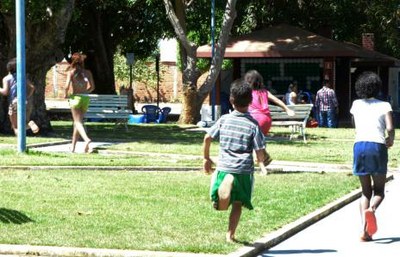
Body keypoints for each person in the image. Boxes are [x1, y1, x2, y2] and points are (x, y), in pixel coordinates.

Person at [203, 79, 270, 243]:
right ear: (250, 101)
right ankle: (230, 235)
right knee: (238, 204)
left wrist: (206, 158)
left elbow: (207, 138)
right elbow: (259, 151)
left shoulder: (224, 120)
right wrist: (263, 164)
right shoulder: (253, 125)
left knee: (217, 200)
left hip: (224, 166)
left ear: (231, 100)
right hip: (244, 171)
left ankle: (221, 194)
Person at [350, 71, 395, 242]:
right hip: (377, 146)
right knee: (380, 191)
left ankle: (365, 231)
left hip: (359, 146)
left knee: (365, 192)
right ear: (377, 87)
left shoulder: (356, 104)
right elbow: (390, 128)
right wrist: (390, 140)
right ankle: (372, 210)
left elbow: (355, 124)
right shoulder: (385, 106)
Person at [244, 70, 295, 135]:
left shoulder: (247, 93)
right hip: (266, 121)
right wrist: (287, 109)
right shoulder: (265, 92)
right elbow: (277, 100)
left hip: (253, 120)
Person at [64, 52, 95, 153]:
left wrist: (66, 94)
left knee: (77, 122)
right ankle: (73, 147)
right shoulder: (88, 72)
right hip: (85, 99)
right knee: (78, 124)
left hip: (75, 99)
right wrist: (85, 92)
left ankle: (87, 140)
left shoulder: (71, 72)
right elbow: (92, 87)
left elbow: (66, 86)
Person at [0, 58, 39, 135]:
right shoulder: (22, 77)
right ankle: (30, 123)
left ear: (8, 69)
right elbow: (32, 87)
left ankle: (19, 145)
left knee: (15, 126)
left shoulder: (6, 79)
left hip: (14, 102)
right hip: (25, 101)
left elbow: (5, 92)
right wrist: (27, 96)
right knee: (24, 123)